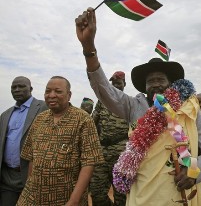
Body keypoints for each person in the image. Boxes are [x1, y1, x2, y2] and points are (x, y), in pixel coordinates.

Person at [75, 7, 201, 206]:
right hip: (143, 197)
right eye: (151, 81)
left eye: (161, 79)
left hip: (181, 195)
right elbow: (103, 88)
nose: (156, 84)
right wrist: (88, 48)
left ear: (171, 84)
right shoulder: (134, 106)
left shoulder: (189, 110)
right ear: (145, 87)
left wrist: (194, 171)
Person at [16, 76, 104, 206]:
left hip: (66, 197)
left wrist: (74, 200)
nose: (51, 95)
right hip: (33, 197)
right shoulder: (40, 119)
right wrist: (30, 187)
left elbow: (89, 163)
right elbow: (31, 157)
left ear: (69, 95)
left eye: (58, 91)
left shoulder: (83, 120)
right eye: (48, 91)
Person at [0, 76, 47, 206]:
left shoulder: (44, 107)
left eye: (21, 86)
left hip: (32, 175)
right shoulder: (5, 114)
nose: (17, 90)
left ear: (30, 89)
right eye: (13, 87)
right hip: (7, 177)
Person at [90, 71, 129, 206]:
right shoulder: (102, 101)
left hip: (121, 152)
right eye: (113, 83)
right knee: (96, 193)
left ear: (124, 84)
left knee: (121, 195)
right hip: (101, 152)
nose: (115, 86)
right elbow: (92, 123)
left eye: (119, 83)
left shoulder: (129, 102)